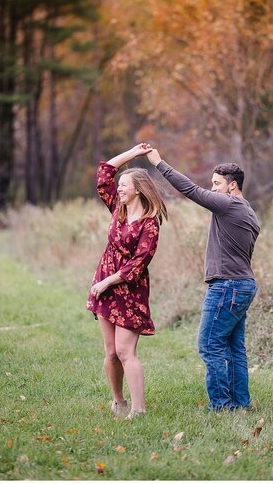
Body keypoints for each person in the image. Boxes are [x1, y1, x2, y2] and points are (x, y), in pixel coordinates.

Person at [146, 147, 260, 411]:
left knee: (209, 345)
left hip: (227, 285)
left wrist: (159, 163)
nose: (212, 189)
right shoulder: (249, 212)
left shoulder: (229, 204)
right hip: (243, 284)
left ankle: (221, 406)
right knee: (234, 348)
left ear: (233, 186)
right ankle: (240, 405)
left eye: (217, 184)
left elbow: (191, 191)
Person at [87, 143, 167, 419]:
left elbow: (139, 262)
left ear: (138, 190)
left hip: (129, 289)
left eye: (125, 185)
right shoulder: (116, 209)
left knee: (125, 351)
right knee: (110, 352)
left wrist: (108, 282)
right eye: (119, 185)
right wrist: (133, 154)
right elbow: (104, 174)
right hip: (105, 284)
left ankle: (139, 409)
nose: (119, 188)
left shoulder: (150, 223)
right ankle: (118, 401)